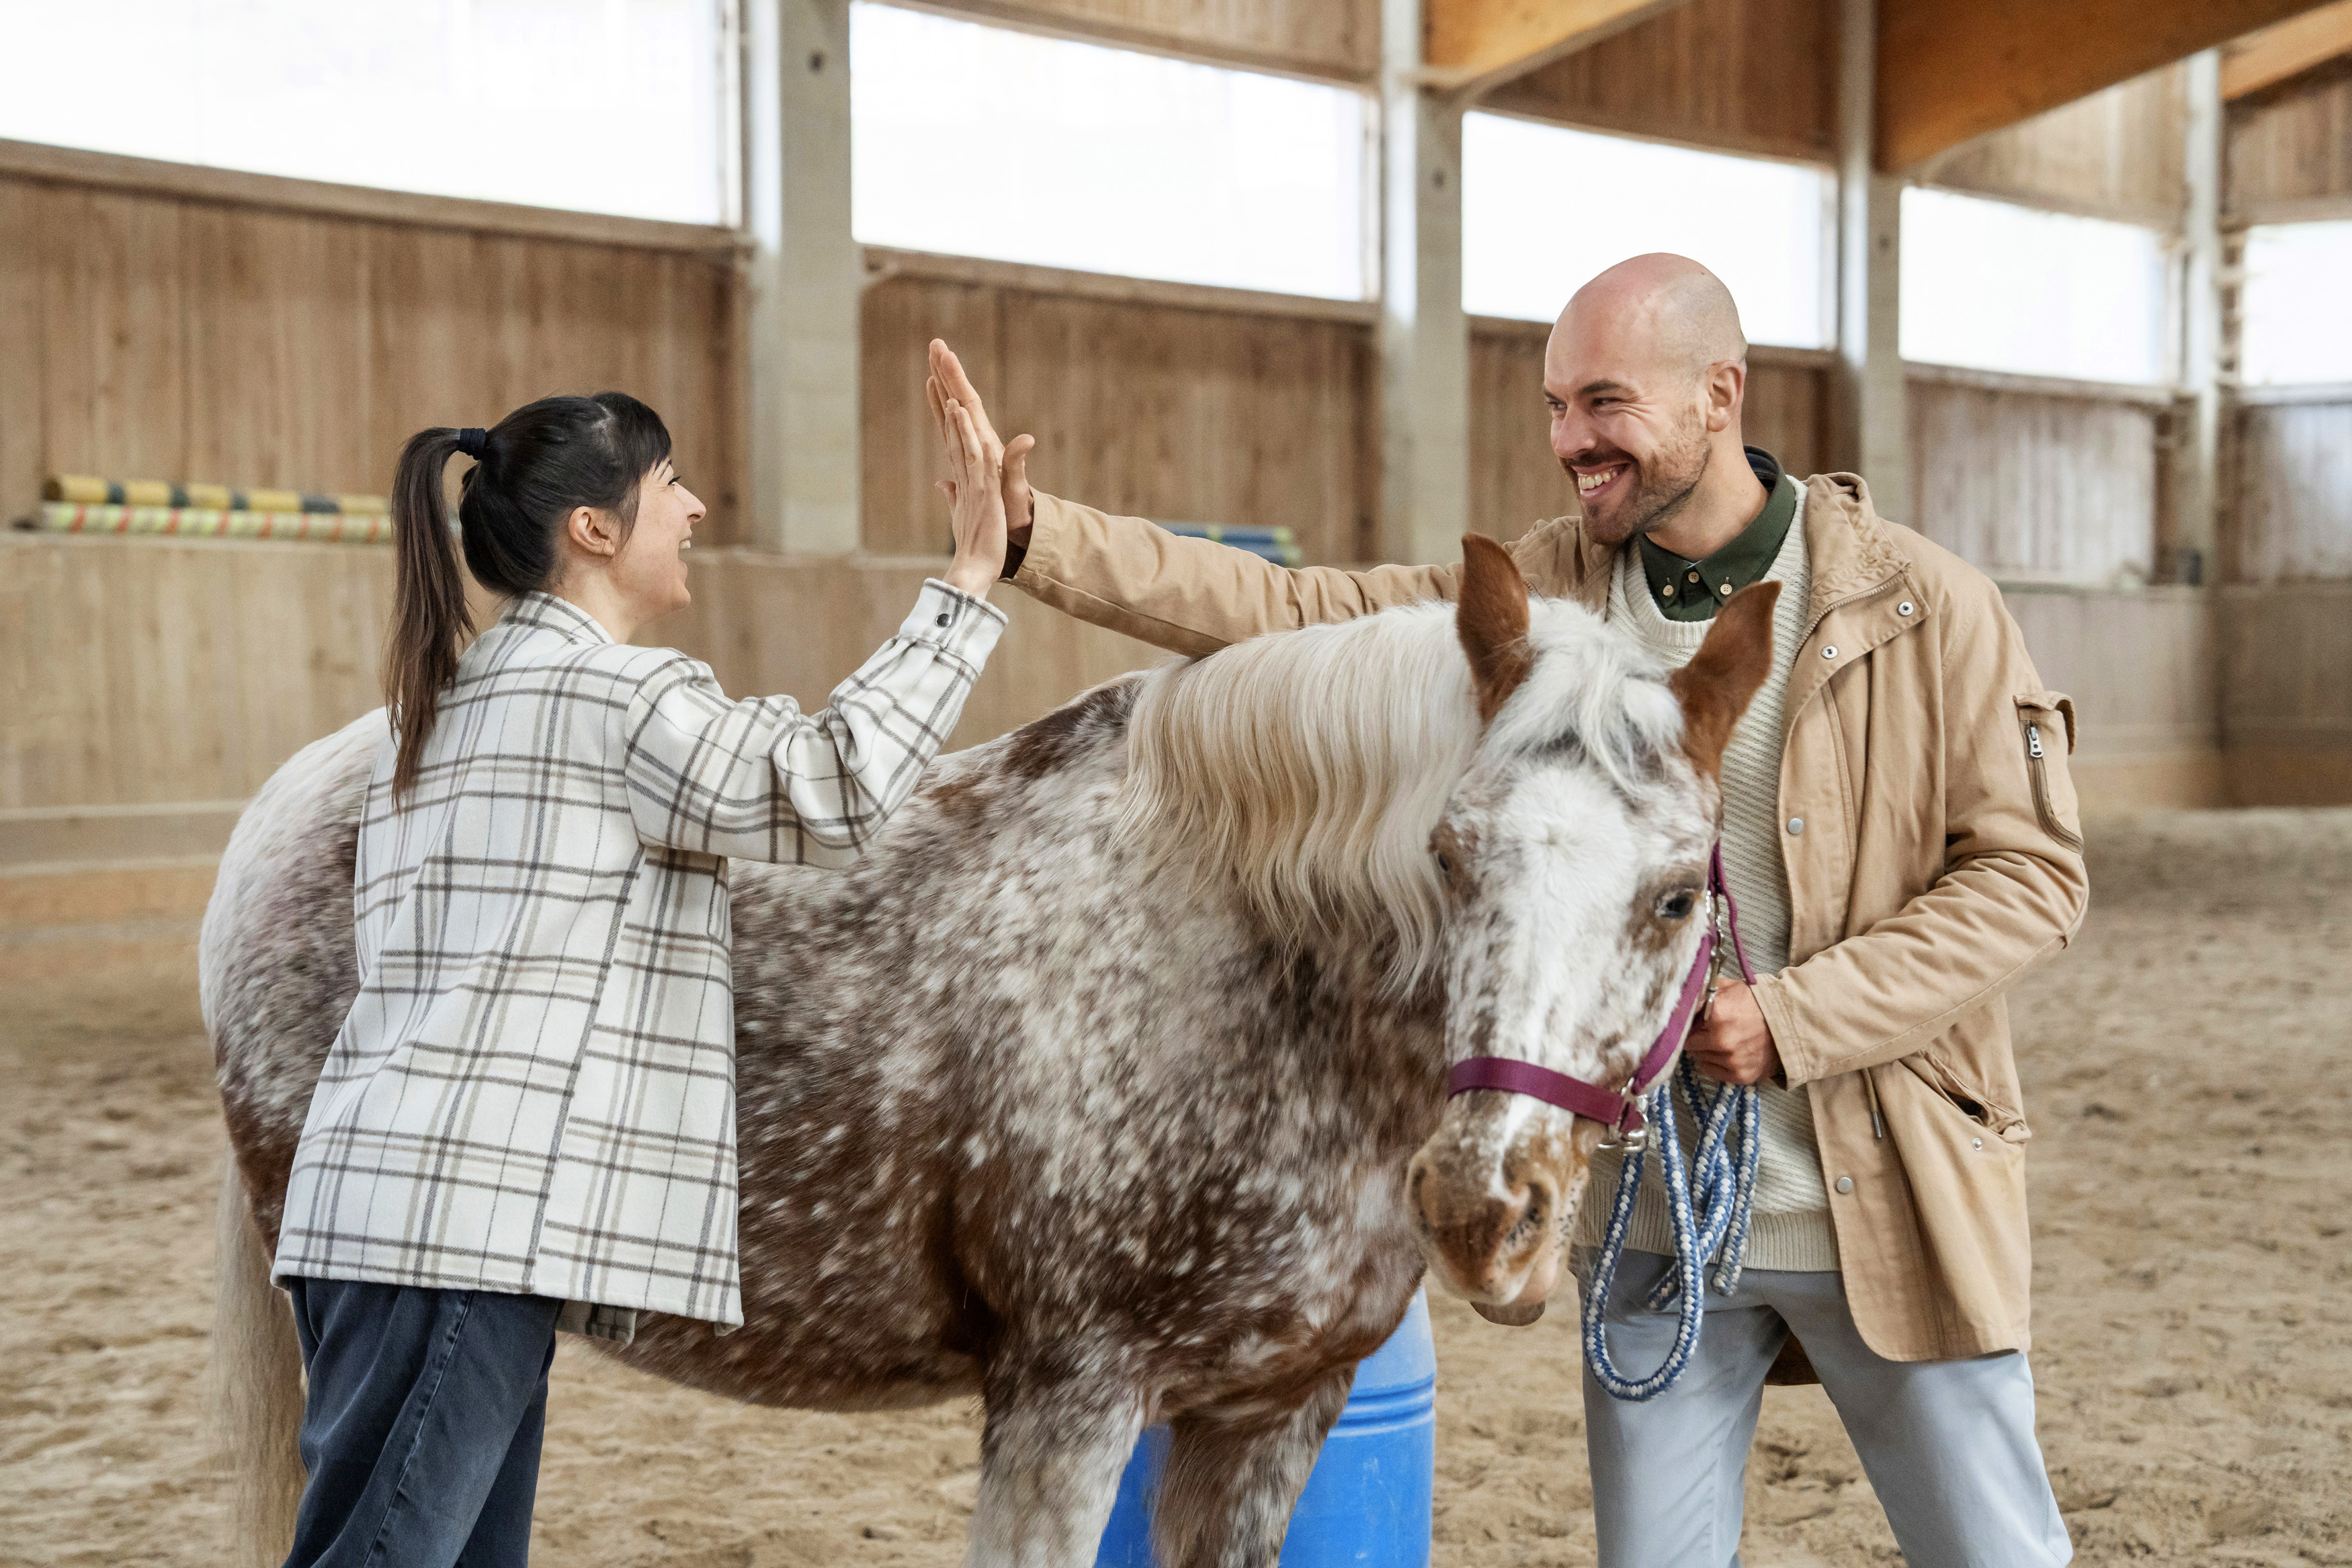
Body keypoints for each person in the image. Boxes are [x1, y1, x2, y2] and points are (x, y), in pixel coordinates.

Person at [924, 249, 2087, 1567]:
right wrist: (1036, 536)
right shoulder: (1546, 597)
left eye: (1602, 405)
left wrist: (1797, 1018)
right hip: (1649, 1223)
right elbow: (1297, 609)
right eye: (1552, 409)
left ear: (1721, 392)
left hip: (1885, 1201)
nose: (1568, 443)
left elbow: (2032, 874)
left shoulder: (1923, 608)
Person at [269, 388, 1012, 1567]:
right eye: (670, 484)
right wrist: (968, 581)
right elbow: (833, 785)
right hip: (463, 1233)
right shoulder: (617, 695)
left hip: (388, 1213)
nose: (696, 506)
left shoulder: (445, 702)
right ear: (596, 529)